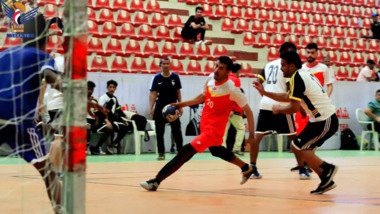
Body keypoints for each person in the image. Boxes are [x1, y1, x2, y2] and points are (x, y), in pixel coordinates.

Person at [140, 56, 256, 191]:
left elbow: (248, 110)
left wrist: (251, 135)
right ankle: (246, 168)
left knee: (185, 151)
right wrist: (181, 104)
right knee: (217, 151)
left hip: (213, 131)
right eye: (216, 66)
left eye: (221, 68)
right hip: (204, 125)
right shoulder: (211, 78)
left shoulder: (232, 89)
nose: (217, 70)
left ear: (228, 71)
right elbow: (202, 96)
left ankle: (156, 180)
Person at [0, 13, 62, 213]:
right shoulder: (42, 56)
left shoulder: (4, 54)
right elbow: (49, 76)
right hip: (18, 120)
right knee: (49, 173)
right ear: (46, 39)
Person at [253, 51, 339, 194]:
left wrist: (278, 109)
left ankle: (327, 169)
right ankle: (325, 179)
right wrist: (266, 92)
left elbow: (293, 107)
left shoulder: (297, 78)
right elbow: (288, 96)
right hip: (318, 120)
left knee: (298, 146)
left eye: (283, 65)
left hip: (325, 120)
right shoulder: (300, 74)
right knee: (300, 148)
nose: (281, 68)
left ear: (292, 66)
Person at [251, 42, 305, 179]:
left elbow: (257, 82)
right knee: (293, 137)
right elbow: (290, 92)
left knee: (257, 136)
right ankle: (302, 169)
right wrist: (301, 108)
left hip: (265, 104)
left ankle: (252, 168)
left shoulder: (269, 65)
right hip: (281, 105)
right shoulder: (287, 66)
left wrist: (265, 95)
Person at [150, 57, 183, 160]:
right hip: (160, 107)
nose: (166, 65)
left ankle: (180, 152)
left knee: (177, 130)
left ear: (170, 65)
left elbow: (178, 92)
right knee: (160, 131)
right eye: (163, 64)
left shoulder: (175, 77)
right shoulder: (157, 78)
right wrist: (151, 108)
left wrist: (180, 105)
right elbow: (153, 93)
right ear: (160, 65)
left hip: (173, 107)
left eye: (167, 63)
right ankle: (161, 153)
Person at [99, 80, 131, 154]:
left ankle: (112, 145)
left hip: (112, 120)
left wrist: (126, 117)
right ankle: (97, 147)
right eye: (110, 87)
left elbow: (118, 109)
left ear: (115, 88)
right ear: (107, 88)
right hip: (104, 120)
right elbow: (100, 111)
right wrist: (106, 120)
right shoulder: (103, 98)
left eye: (113, 87)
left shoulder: (114, 98)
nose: (112, 89)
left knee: (126, 126)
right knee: (110, 128)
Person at [222, 63, 245, 155]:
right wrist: (232, 109)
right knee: (241, 128)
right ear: (238, 71)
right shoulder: (236, 80)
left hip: (224, 109)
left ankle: (222, 148)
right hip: (233, 110)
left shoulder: (225, 78)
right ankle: (236, 148)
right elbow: (234, 95)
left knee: (224, 130)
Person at [87, 81, 112, 155]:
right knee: (87, 127)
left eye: (92, 89)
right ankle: (87, 147)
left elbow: (96, 112)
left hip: (93, 122)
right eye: (88, 89)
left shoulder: (94, 100)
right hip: (84, 122)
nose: (90, 91)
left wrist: (97, 121)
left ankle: (96, 147)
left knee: (109, 128)